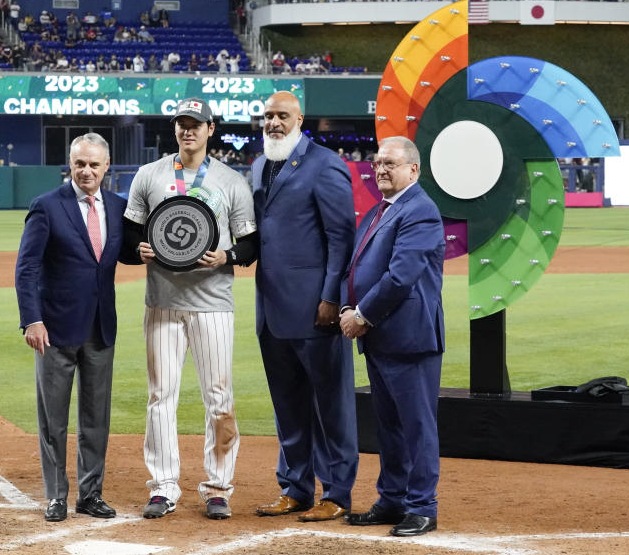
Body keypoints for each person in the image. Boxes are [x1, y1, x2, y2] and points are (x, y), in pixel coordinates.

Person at [123, 97, 258, 521]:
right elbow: (128, 240)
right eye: (182, 124)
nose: (188, 131)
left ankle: (218, 488)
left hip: (213, 303)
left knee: (219, 398)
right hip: (162, 301)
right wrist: (139, 250)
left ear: (210, 129)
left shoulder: (232, 181)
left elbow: (251, 245)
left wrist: (227, 257)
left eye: (196, 124)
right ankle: (163, 487)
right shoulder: (149, 175)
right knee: (160, 397)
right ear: (175, 129)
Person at [15, 133, 137, 523]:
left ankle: (90, 493)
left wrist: (151, 251)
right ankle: (55, 495)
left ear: (106, 166)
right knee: (53, 419)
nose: (86, 171)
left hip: (101, 328)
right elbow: (27, 267)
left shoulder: (118, 207)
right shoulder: (47, 206)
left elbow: (129, 251)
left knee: (95, 418)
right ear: (70, 165)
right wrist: (32, 319)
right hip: (54, 329)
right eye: (79, 164)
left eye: (94, 164)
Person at [251, 91, 358, 522]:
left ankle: (336, 493)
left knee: (331, 405)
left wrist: (332, 297)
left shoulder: (325, 164)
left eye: (282, 116)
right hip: (272, 307)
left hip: (317, 309)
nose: (273, 123)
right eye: (267, 116)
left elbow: (341, 238)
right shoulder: (260, 164)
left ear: (300, 119)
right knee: (288, 405)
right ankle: (295, 488)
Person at [340, 136, 445, 537]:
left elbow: (400, 276)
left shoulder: (420, 211)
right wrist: (349, 309)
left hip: (409, 337)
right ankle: (393, 499)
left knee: (416, 426)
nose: (380, 169)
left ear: (413, 170)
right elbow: (356, 269)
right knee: (390, 427)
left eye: (390, 163)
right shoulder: (378, 211)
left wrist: (361, 316)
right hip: (382, 338)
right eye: (378, 163)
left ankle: (422, 506)